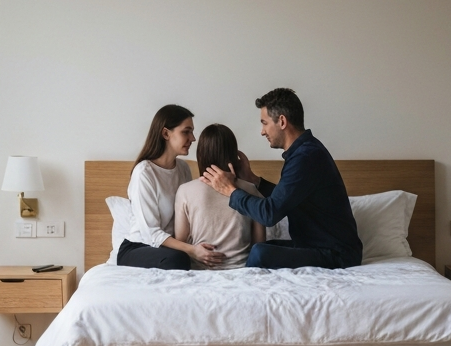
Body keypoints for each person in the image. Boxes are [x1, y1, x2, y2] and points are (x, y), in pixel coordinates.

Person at [201, 87, 363, 270]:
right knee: (259, 248)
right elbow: (285, 198)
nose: (262, 131)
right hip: (314, 246)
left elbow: (269, 214)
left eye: (264, 123)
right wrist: (253, 179)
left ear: (282, 121)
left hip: (337, 254)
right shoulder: (305, 152)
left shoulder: (306, 157)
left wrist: (229, 190)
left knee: (260, 253)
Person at [118, 104, 227, 270]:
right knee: (179, 260)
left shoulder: (183, 169)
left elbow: (189, 214)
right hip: (139, 247)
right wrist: (192, 251)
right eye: (186, 131)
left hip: (172, 248)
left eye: (192, 132)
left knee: (188, 258)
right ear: (165, 133)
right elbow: (151, 233)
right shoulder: (144, 173)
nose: (193, 138)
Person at [174, 124, 266, 269]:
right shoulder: (252, 190)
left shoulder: (185, 191)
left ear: (201, 154)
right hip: (241, 271)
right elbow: (259, 244)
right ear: (234, 154)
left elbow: (180, 243)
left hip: (200, 272)